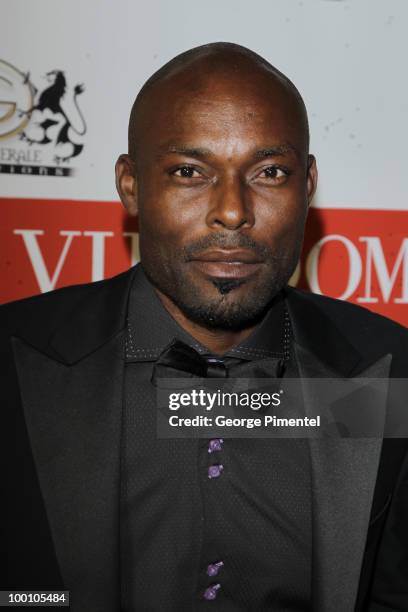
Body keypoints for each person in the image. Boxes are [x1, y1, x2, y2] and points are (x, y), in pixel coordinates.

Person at [1, 42, 408, 612]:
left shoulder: (385, 372)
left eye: (270, 172)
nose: (233, 211)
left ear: (307, 185)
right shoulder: (14, 365)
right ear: (131, 185)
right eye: (189, 172)